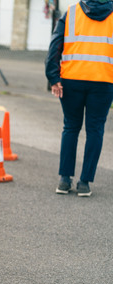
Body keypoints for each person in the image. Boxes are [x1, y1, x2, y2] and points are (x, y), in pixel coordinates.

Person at [45, 0, 113, 197]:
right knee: (95, 130)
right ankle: (84, 183)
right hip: (103, 80)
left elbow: (55, 45)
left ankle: (65, 180)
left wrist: (53, 77)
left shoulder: (71, 13)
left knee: (71, 127)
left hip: (71, 80)